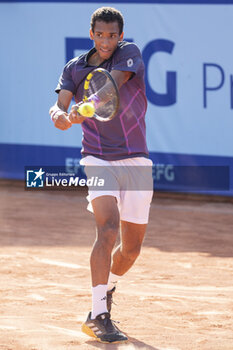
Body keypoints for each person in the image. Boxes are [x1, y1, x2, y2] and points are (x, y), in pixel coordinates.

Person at [49, 6, 153, 344]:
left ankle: (104, 290)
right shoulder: (74, 68)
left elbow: (112, 87)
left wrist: (84, 108)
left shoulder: (129, 54)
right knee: (107, 229)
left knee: (130, 250)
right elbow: (60, 103)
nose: (106, 41)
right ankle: (98, 314)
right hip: (97, 158)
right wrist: (59, 114)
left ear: (120, 36)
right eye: (100, 34)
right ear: (91, 34)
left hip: (136, 159)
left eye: (112, 35)